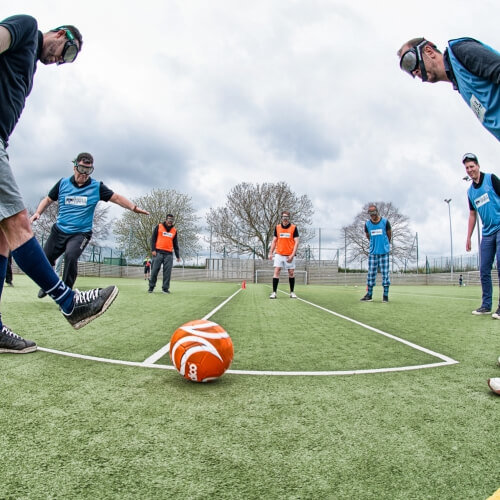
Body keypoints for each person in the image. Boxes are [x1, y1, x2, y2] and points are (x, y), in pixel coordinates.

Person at [0, 14, 118, 354]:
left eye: (66, 61)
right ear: (59, 34)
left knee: (3, 239)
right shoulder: (26, 27)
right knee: (18, 224)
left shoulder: (30, 68)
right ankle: (69, 302)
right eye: (66, 52)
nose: (58, 61)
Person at [31, 152, 149, 297]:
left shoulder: (96, 187)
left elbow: (117, 198)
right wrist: (38, 212)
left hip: (80, 234)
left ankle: (65, 294)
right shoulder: (62, 184)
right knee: (45, 258)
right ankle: (49, 284)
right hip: (59, 230)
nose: (85, 174)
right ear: (75, 167)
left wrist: (133, 207)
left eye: (88, 170)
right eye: (82, 169)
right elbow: (48, 200)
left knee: (71, 256)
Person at [397, 37, 500, 141]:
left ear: (429, 51)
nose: (413, 71)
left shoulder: (460, 51)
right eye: (407, 68)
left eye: (409, 61)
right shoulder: (461, 85)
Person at [462, 153, 500, 318]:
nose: (470, 170)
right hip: (487, 233)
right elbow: (472, 215)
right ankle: (486, 305)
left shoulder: (491, 179)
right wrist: (468, 236)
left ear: (478, 166)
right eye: (467, 168)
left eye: (472, 166)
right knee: (484, 269)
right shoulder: (470, 192)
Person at [360, 205, 392, 303]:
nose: (372, 215)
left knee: (385, 274)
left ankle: (385, 295)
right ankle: (369, 295)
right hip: (373, 253)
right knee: (371, 274)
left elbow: (389, 234)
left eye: (373, 213)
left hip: (384, 252)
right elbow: (368, 235)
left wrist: (385, 245)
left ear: (377, 212)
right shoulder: (367, 224)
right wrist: (374, 244)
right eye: (370, 213)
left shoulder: (385, 222)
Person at [268, 211, 299, 299]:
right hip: (279, 254)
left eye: (287, 217)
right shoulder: (277, 227)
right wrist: (271, 252)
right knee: (277, 271)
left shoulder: (294, 228)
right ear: (281, 218)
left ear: (289, 218)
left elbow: (297, 242)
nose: (285, 219)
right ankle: (274, 292)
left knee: (291, 272)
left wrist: (292, 255)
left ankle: (292, 292)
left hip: (290, 254)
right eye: (283, 217)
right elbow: (274, 241)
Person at [148, 214, 180, 294]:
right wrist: (153, 249)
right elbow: (153, 239)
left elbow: (175, 244)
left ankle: (165, 289)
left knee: (167, 272)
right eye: (169, 220)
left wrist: (177, 256)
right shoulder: (159, 227)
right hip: (158, 252)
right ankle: (151, 287)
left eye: (171, 221)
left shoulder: (174, 230)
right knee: (154, 270)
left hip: (169, 254)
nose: (170, 222)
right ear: (166, 220)